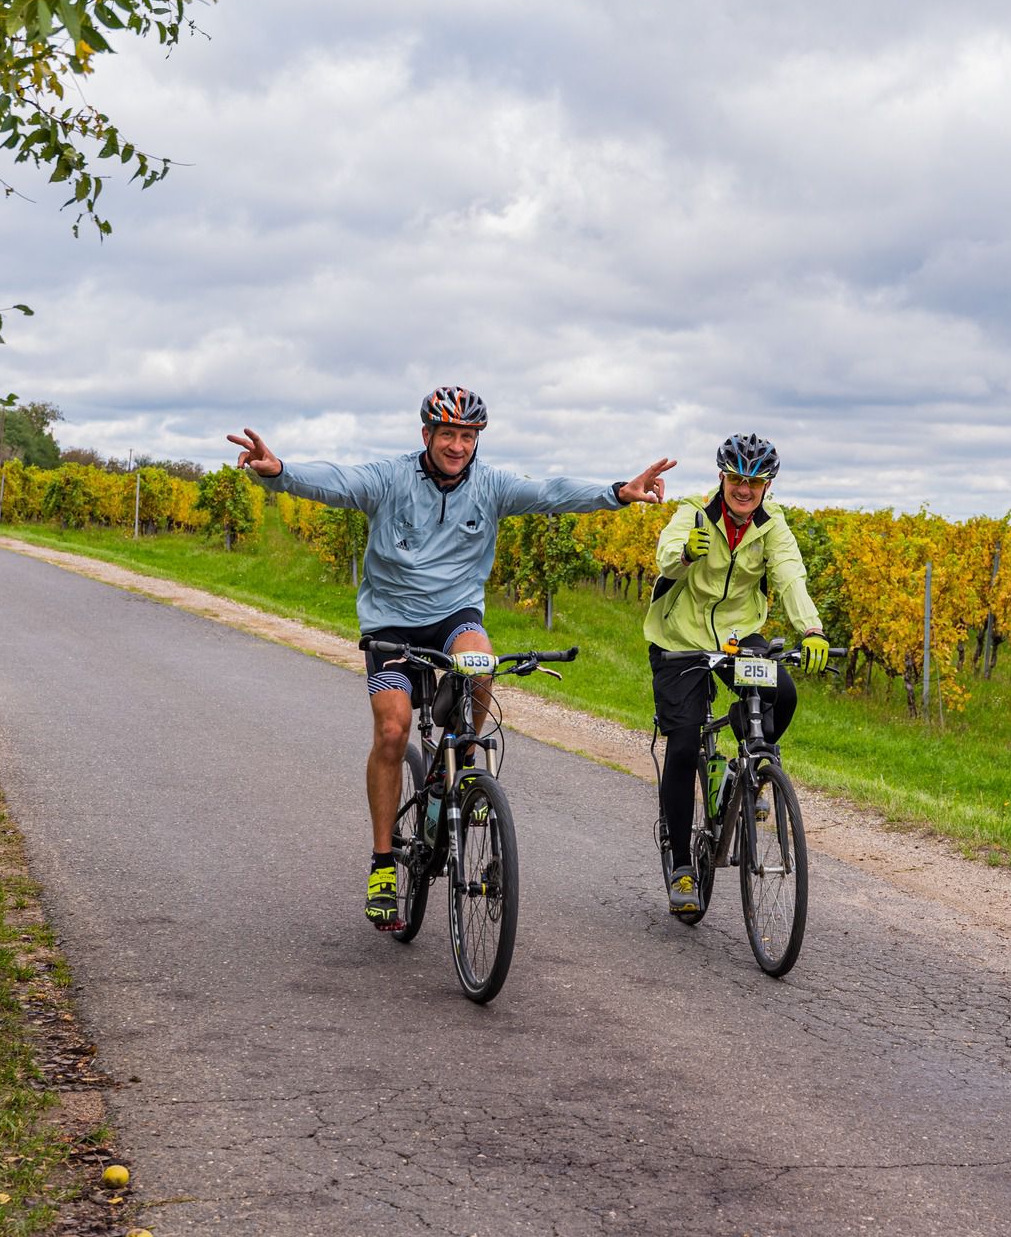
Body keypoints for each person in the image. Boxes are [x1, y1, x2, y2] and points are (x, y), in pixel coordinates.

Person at [228, 387, 675, 927]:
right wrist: (278, 472)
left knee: (480, 659)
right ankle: (382, 864)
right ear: (427, 437)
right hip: (390, 620)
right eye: (448, 435)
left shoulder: (490, 486)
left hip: (454, 614)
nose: (458, 445)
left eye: (468, 436)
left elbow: (550, 492)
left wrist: (617, 493)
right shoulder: (391, 479)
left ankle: (457, 755)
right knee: (393, 731)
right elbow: (337, 482)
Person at [643, 433, 827, 914]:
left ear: (768, 486)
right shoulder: (694, 512)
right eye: (737, 479)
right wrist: (686, 553)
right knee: (683, 744)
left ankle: (742, 768)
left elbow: (789, 574)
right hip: (679, 640)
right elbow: (664, 557)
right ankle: (683, 868)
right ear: (722, 477)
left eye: (756, 482)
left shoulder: (773, 527)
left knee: (781, 694)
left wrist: (811, 628)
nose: (745, 490)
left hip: (737, 636)